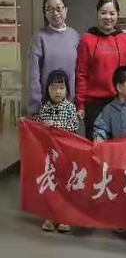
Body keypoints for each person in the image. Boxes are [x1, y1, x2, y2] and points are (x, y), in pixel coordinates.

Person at [75, 0, 126, 139]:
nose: (108, 17)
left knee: (117, 145)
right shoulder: (87, 40)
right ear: (97, 14)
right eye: (103, 13)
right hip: (93, 105)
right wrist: (80, 104)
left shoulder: (125, 40)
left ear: (118, 15)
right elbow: (81, 73)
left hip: (118, 102)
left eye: (112, 13)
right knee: (96, 145)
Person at [37, 69, 80, 233]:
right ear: (47, 90)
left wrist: (56, 127)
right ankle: (50, 215)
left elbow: (73, 127)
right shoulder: (44, 108)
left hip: (65, 155)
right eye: (53, 88)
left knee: (64, 186)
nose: (57, 92)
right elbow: (37, 129)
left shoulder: (70, 108)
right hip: (49, 156)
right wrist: (27, 123)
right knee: (50, 185)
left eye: (61, 88)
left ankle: (64, 217)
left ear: (67, 90)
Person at [27, 0, 80, 117]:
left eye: (58, 8)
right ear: (45, 13)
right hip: (46, 107)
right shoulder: (39, 38)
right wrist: (35, 108)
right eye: (50, 9)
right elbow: (33, 74)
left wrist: (79, 103)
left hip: (69, 106)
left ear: (66, 9)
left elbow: (79, 71)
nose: (55, 13)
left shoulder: (74, 36)